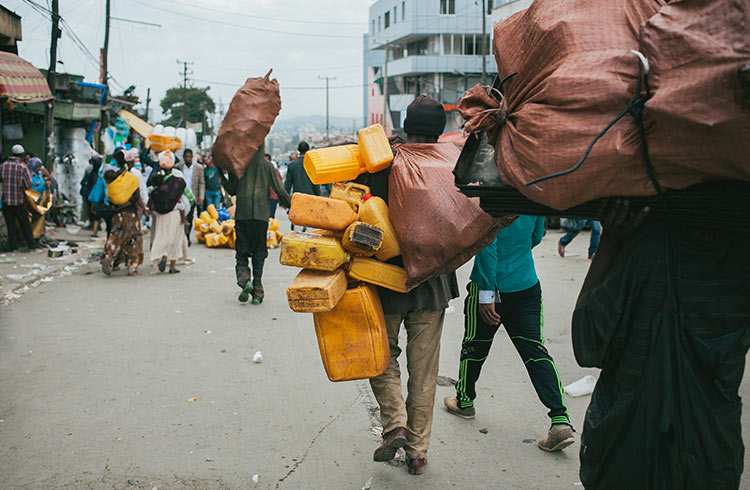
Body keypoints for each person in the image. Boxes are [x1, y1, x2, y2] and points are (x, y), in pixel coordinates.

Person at [571, 196, 750, 489]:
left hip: (633, 453)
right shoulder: (741, 257)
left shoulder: (649, 249)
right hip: (713, 455)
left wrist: (610, 242)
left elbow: (587, 340)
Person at [360, 95, 459, 476]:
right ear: (440, 131)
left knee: (381, 358)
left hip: (387, 282)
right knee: (425, 371)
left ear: (403, 123)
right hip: (434, 285)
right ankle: (417, 453)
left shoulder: (384, 162)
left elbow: (360, 217)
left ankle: (394, 423)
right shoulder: (449, 165)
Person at [443, 216, 575, 452]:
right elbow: (536, 236)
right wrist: (516, 252)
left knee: (474, 346)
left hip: (491, 287)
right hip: (526, 284)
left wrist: (486, 293)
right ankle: (559, 420)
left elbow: (487, 243)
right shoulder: (531, 194)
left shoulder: (493, 192)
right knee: (535, 351)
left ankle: (464, 402)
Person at [223, 143, 291, 305]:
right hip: (261, 216)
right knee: (259, 252)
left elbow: (231, 190)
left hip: (243, 215)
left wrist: (223, 176)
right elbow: (279, 190)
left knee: (242, 252)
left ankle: (245, 280)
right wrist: (292, 205)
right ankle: (258, 289)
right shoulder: (267, 166)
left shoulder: (238, 164)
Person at [148, 150, 188, 274]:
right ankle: (172, 266)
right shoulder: (178, 181)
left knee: (162, 238)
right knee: (175, 239)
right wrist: (183, 219)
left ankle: (162, 256)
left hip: (160, 216)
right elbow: (181, 203)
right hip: (175, 215)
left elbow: (150, 204)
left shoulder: (157, 186)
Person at [100, 167, 144, 276]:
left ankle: (108, 256)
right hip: (131, 216)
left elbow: (111, 203)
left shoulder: (112, 188)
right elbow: (137, 197)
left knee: (115, 237)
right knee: (133, 240)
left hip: (117, 216)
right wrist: (144, 209)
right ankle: (132, 267)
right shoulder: (129, 183)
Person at [0, 144, 36, 250]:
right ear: (22, 154)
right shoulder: (22, 166)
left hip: (6, 200)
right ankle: (31, 245)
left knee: (10, 225)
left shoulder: (3, 165)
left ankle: (13, 246)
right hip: (19, 201)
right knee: (24, 223)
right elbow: (29, 184)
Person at [284, 142, 320, 230]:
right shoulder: (312, 165)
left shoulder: (292, 165)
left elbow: (288, 184)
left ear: (299, 151)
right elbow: (316, 183)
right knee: (309, 221)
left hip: (298, 197)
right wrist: (318, 196)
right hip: (310, 197)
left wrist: (285, 200)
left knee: (297, 220)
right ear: (308, 150)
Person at [176, 148, 205, 245]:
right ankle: (183, 237)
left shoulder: (198, 168)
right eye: (186, 157)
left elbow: (201, 183)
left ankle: (187, 236)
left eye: (189, 157)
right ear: (183, 157)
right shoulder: (178, 167)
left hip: (192, 197)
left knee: (190, 217)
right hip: (181, 197)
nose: (188, 159)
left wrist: (201, 197)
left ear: (192, 157)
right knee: (181, 217)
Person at [265, 153, 284, 219]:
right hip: (263, 197)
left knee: (271, 217)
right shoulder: (260, 172)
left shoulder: (275, 171)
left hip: (273, 197)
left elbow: (280, 184)